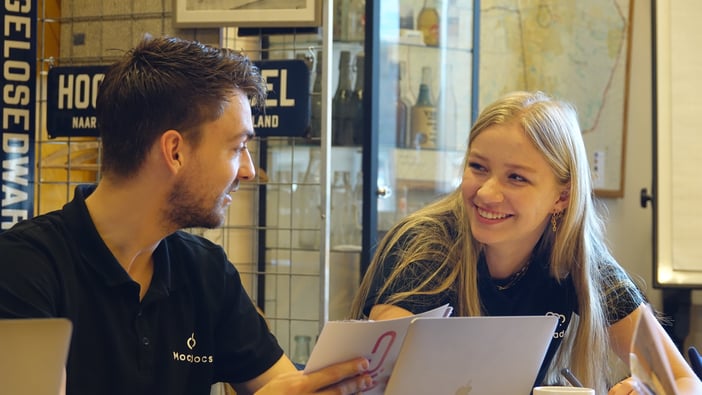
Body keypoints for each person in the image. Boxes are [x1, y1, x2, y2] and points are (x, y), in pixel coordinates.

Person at [0, 35, 372, 395]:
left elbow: (281, 385)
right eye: (237, 147)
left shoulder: (206, 270)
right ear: (175, 151)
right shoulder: (23, 269)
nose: (249, 171)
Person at [350, 91, 702, 394]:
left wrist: (646, 388)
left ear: (562, 197)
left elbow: (683, 381)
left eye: (516, 177)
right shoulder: (425, 244)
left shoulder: (576, 256)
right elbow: (381, 380)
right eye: (478, 167)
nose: (486, 193)